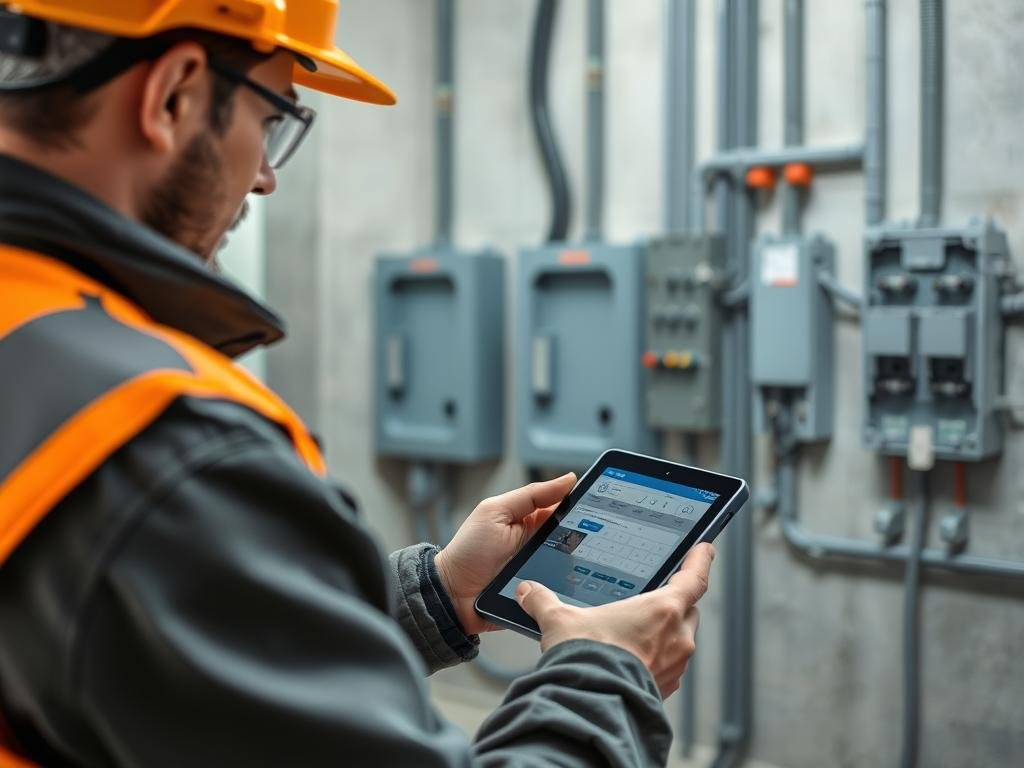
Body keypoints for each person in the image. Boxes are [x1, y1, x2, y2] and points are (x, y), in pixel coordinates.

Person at [0, 2, 715, 765]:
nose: (268, 176)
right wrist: (609, 676)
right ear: (173, 94)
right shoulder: (168, 447)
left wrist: (436, 595)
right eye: (274, 120)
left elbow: (163, 673)